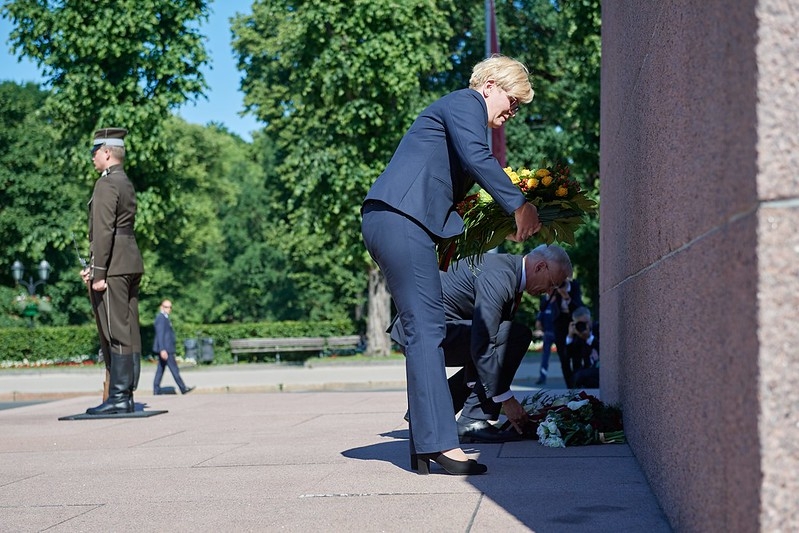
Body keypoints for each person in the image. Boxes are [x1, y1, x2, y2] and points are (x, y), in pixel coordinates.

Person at [362, 54, 541, 475]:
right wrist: (518, 205)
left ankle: (429, 444)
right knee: (426, 329)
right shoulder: (465, 103)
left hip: (402, 221)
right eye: (513, 101)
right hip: (398, 218)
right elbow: (480, 159)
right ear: (490, 85)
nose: (512, 111)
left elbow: (459, 182)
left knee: (429, 330)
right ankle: (441, 445)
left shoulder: (463, 115)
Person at [390, 245, 573, 444]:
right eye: (552, 284)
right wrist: (506, 398)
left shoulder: (506, 271)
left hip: (428, 330)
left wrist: (488, 388)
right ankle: (473, 421)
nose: (548, 292)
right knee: (516, 336)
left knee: (492, 357)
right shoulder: (500, 276)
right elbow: (483, 342)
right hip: (422, 334)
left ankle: (427, 412)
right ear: (540, 267)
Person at [81, 128, 144, 415]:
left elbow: (103, 232)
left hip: (113, 265)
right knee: (128, 326)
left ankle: (118, 395)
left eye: (94, 152)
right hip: (129, 260)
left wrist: (97, 272)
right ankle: (126, 392)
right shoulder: (126, 182)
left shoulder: (106, 185)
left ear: (106, 152)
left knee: (115, 328)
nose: (92, 157)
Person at [153, 300, 195, 395]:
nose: (169, 309)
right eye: (166, 307)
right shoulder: (161, 318)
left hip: (166, 348)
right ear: (162, 307)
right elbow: (160, 335)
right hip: (166, 349)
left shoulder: (165, 318)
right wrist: (162, 349)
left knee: (160, 369)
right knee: (174, 369)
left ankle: (156, 389)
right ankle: (183, 388)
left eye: (170, 307)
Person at [550, 277, 584, 388]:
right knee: (564, 359)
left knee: (576, 357)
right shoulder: (555, 287)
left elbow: (578, 307)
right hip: (560, 326)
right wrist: (550, 295)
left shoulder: (574, 286)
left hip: (574, 323)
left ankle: (577, 385)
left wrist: (566, 296)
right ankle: (570, 387)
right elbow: (543, 307)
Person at [568, 307, 600, 388]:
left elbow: (603, 350)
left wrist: (589, 338)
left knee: (581, 376)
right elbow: (567, 356)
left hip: (601, 369)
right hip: (586, 372)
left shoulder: (599, 328)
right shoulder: (576, 334)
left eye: (586, 322)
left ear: (591, 319)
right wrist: (570, 337)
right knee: (578, 377)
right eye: (581, 323)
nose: (585, 326)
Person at [534, 293, 556, 385]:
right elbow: (538, 323)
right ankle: (542, 377)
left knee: (545, 358)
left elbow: (538, 323)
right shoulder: (546, 306)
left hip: (550, 333)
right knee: (545, 357)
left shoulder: (547, 306)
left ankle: (542, 377)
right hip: (551, 333)